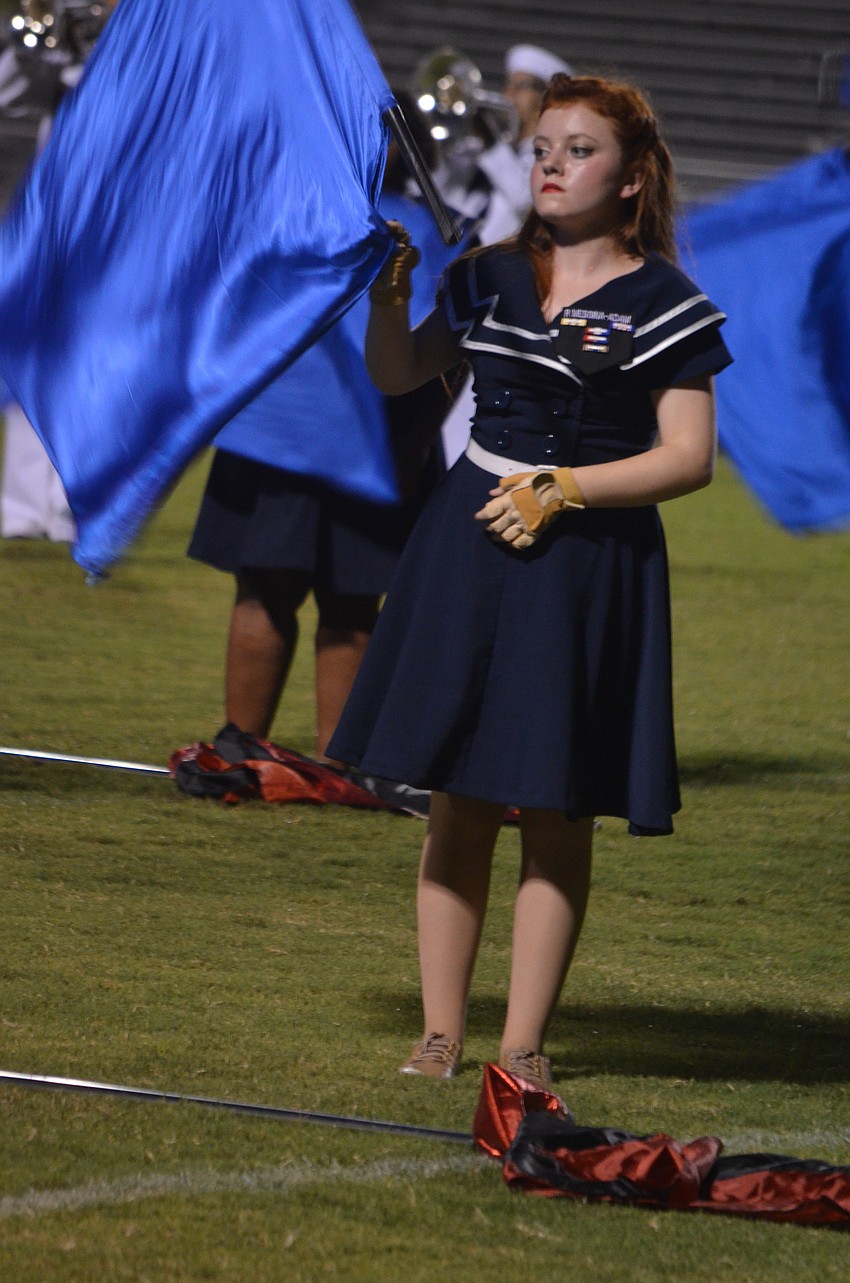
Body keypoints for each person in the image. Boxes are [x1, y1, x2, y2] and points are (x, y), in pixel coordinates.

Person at [327, 74, 732, 1088]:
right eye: (543, 147)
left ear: (633, 180)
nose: (552, 164)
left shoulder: (668, 303)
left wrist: (565, 489)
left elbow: (688, 457)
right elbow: (398, 372)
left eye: (580, 149)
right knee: (458, 799)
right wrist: (387, 298)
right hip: (464, 546)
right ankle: (437, 1033)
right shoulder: (488, 274)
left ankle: (522, 1043)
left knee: (554, 808)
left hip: (586, 564)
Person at [187, 102, 454, 764]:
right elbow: (440, 354)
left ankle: (251, 746)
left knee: (282, 590)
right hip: (349, 442)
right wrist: (418, 442)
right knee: (337, 600)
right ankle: (333, 760)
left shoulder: (282, 211)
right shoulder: (423, 226)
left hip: (295, 435)